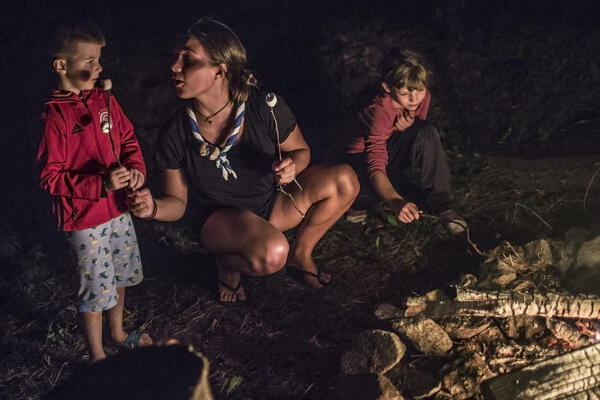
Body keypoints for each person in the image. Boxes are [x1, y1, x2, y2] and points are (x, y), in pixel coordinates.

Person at [126, 17, 359, 302]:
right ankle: (227, 264)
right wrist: (152, 208)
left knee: (344, 180)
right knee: (273, 254)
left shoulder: (263, 108)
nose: (174, 67)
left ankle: (302, 254)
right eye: (175, 58)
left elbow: (301, 151)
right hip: (221, 221)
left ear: (219, 71)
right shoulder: (176, 132)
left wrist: (292, 167)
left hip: (272, 203)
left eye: (188, 60)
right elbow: (177, 203)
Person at [36, 23, 152, 362]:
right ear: (62, 66)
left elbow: (128, 139)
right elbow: (49, 177)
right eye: (90, 61)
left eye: (99, 60)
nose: (99, 69)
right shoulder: (53, 116)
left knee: (120, 271)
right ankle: (97, 356)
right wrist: (98, 184)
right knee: (95, 286)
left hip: (119, 208)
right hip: (84, 219)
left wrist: (136, 171)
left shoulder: (104, 99)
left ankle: (116, 333)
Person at [338, 49, 466, 233]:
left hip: (387, 150)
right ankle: (359, 200)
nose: (415, 99)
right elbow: (374, 161)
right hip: (356, 160)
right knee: (364, 188)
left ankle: (442, 205)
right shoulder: (378, 112)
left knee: (426, 131)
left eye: (420, 90)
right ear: (388, 87)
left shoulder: (421, 94)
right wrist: (395, 201)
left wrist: (410, 125)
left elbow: (418, 132)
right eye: (406, 93)